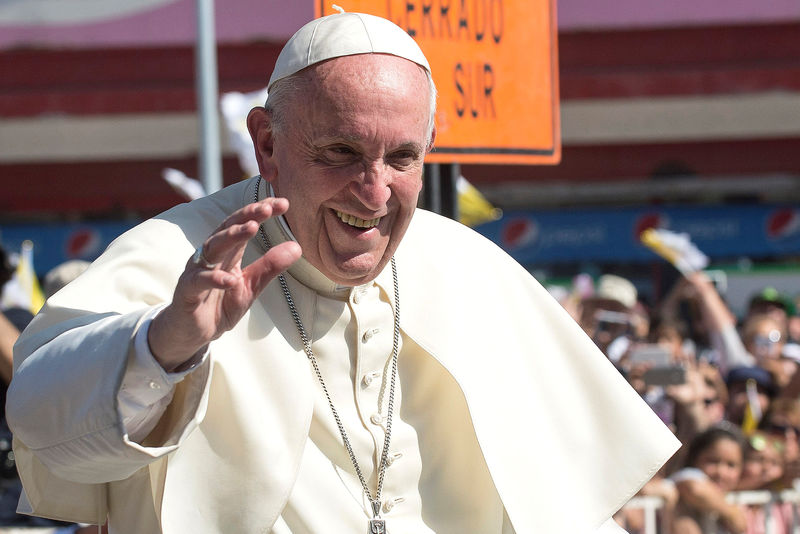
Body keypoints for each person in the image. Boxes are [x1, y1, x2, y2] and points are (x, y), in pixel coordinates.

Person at [6, 11, 679, 534]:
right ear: (268, 145)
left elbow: (560, 503)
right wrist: (163, 349)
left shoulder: (471, 269)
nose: (376, 192)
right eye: (342, 152)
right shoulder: (180, 253)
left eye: (402, 158)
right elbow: (48, 427)